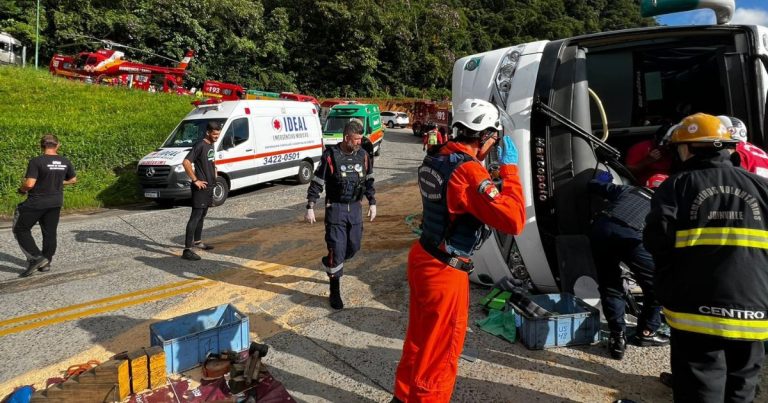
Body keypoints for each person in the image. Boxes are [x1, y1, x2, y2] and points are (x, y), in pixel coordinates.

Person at [392, 99, 526, 402]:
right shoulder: (470, 173)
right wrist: (510, 171)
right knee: (441, 352)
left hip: (424, 256)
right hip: (445, 272)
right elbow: (514, 220)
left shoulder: (438, 156)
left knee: (418, 340)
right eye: (493, 139)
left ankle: (402, 397)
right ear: (485, 136)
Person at [644, 113, 768, 402]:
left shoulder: (677, 186)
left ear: (687, 149)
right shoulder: (761, 188)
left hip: (695, 308)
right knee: (742, 387)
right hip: (753, 308)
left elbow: (655, 240)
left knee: (701, 386)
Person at [587, 170, 669, 360]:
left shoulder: (629, 190)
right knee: (656, 287)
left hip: (601, 230)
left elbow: (593, 185)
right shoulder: (665, 203)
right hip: (632, 237)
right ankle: (647, 332)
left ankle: (617, 338)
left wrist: (602, 177)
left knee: (610, 284)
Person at [305, 119, 376, 309]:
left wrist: (372, 201)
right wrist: (310, 205)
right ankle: (334, 290)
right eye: (357, 139)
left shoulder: (363, 155)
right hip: (335, 209)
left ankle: (330, 261)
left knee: (353, 247)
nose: (360, 142)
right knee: (337, 250)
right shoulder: (331, 156)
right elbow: (318, 181)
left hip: (355, 208)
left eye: (361, 139)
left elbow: (369, 179)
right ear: (347, 138)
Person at [13, 134, 77, 277]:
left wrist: (21, 190)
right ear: (57, 145)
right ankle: (46, 262)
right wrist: (59, 182)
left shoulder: (36, 161)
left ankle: (36, 258)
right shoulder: (65, 161)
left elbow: (29, 184)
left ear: (41, 146)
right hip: (56, 202)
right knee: (49, 232)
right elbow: (73, 179)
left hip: (37, 202)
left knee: (20, 229)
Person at [180, 121, 221, 261]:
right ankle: (187, 250)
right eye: (215, 134)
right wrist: (195, 180)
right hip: (200, 188)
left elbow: (208, 160)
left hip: (209, 186)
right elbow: (186, 162)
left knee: (202, 215)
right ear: (208, 132)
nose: (217, 137)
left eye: (218, 134)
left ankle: (197, 242)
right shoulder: (200, 145)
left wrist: (214, 169)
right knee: (195, 216)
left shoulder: (211, 144)